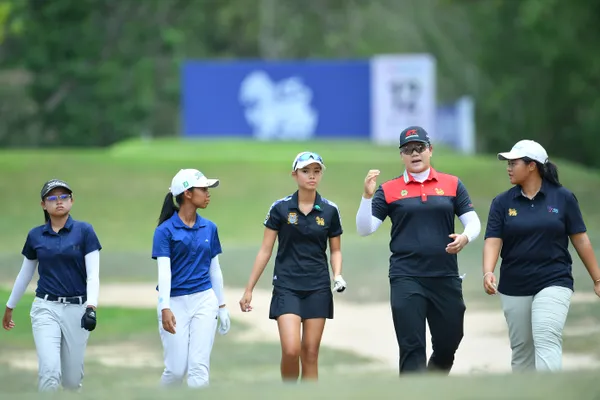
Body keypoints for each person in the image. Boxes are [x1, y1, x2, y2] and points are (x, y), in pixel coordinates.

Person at [355, 126, 481, 376]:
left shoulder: (452, 184)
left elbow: (473, 222)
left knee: (450, 340)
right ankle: (414, 390)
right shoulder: (389, 189)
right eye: (408, 149)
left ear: (430, 150)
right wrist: (367, 197)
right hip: (406, 276)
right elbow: (365, 228)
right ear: (401, 155)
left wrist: (465, 237)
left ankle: (431, 384)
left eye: (420, 148)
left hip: (444, 275)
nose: (415, 153)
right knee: (411, 346)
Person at [482, 139, 600, 372]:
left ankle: (549, 389)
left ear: (532, 166)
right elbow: (493, 240)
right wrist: (488, 271)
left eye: (513, 163)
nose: (508, 168)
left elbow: (581, 240)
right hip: (514, 283)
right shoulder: (502, 202)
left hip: (554, 279)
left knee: (546, 335)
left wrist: (597, 278)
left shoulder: (563, 198)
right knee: (522, 350)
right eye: (508, 163)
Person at [239, 151, 347, 383]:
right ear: (295, 174)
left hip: (318, 287)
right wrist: (249, 288)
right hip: (287, 286)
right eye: (305, 171)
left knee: (310, 353)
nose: (312, 176)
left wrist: (337, 275)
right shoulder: (280, 208)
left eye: (316, 171)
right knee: (291, 350)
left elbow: (335, 250)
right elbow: (265, 250)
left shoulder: (330, 210)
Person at [2, 179, 101, 392]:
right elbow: (25, 274)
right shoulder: (36, 235)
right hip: (45, 307)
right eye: (52, 198)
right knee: (49, 373)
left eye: (64, 196)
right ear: (43, 205)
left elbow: (93, 275)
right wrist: (10, 307)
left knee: (72, 381)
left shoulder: (85, 231)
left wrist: (91, 307)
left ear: (72, 200)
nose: (59, 201)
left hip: (78, 309)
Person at [152, 168, 231, 389]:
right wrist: (165, 307)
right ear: (187, 193)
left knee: (199, 368)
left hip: (204, 300)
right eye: (203, 189)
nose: (208, 193)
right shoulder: (165, 231)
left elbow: (215, 270)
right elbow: (164, 272)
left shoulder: (210, 228)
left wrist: (222, 306)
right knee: (176, 370)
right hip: (174, 302)